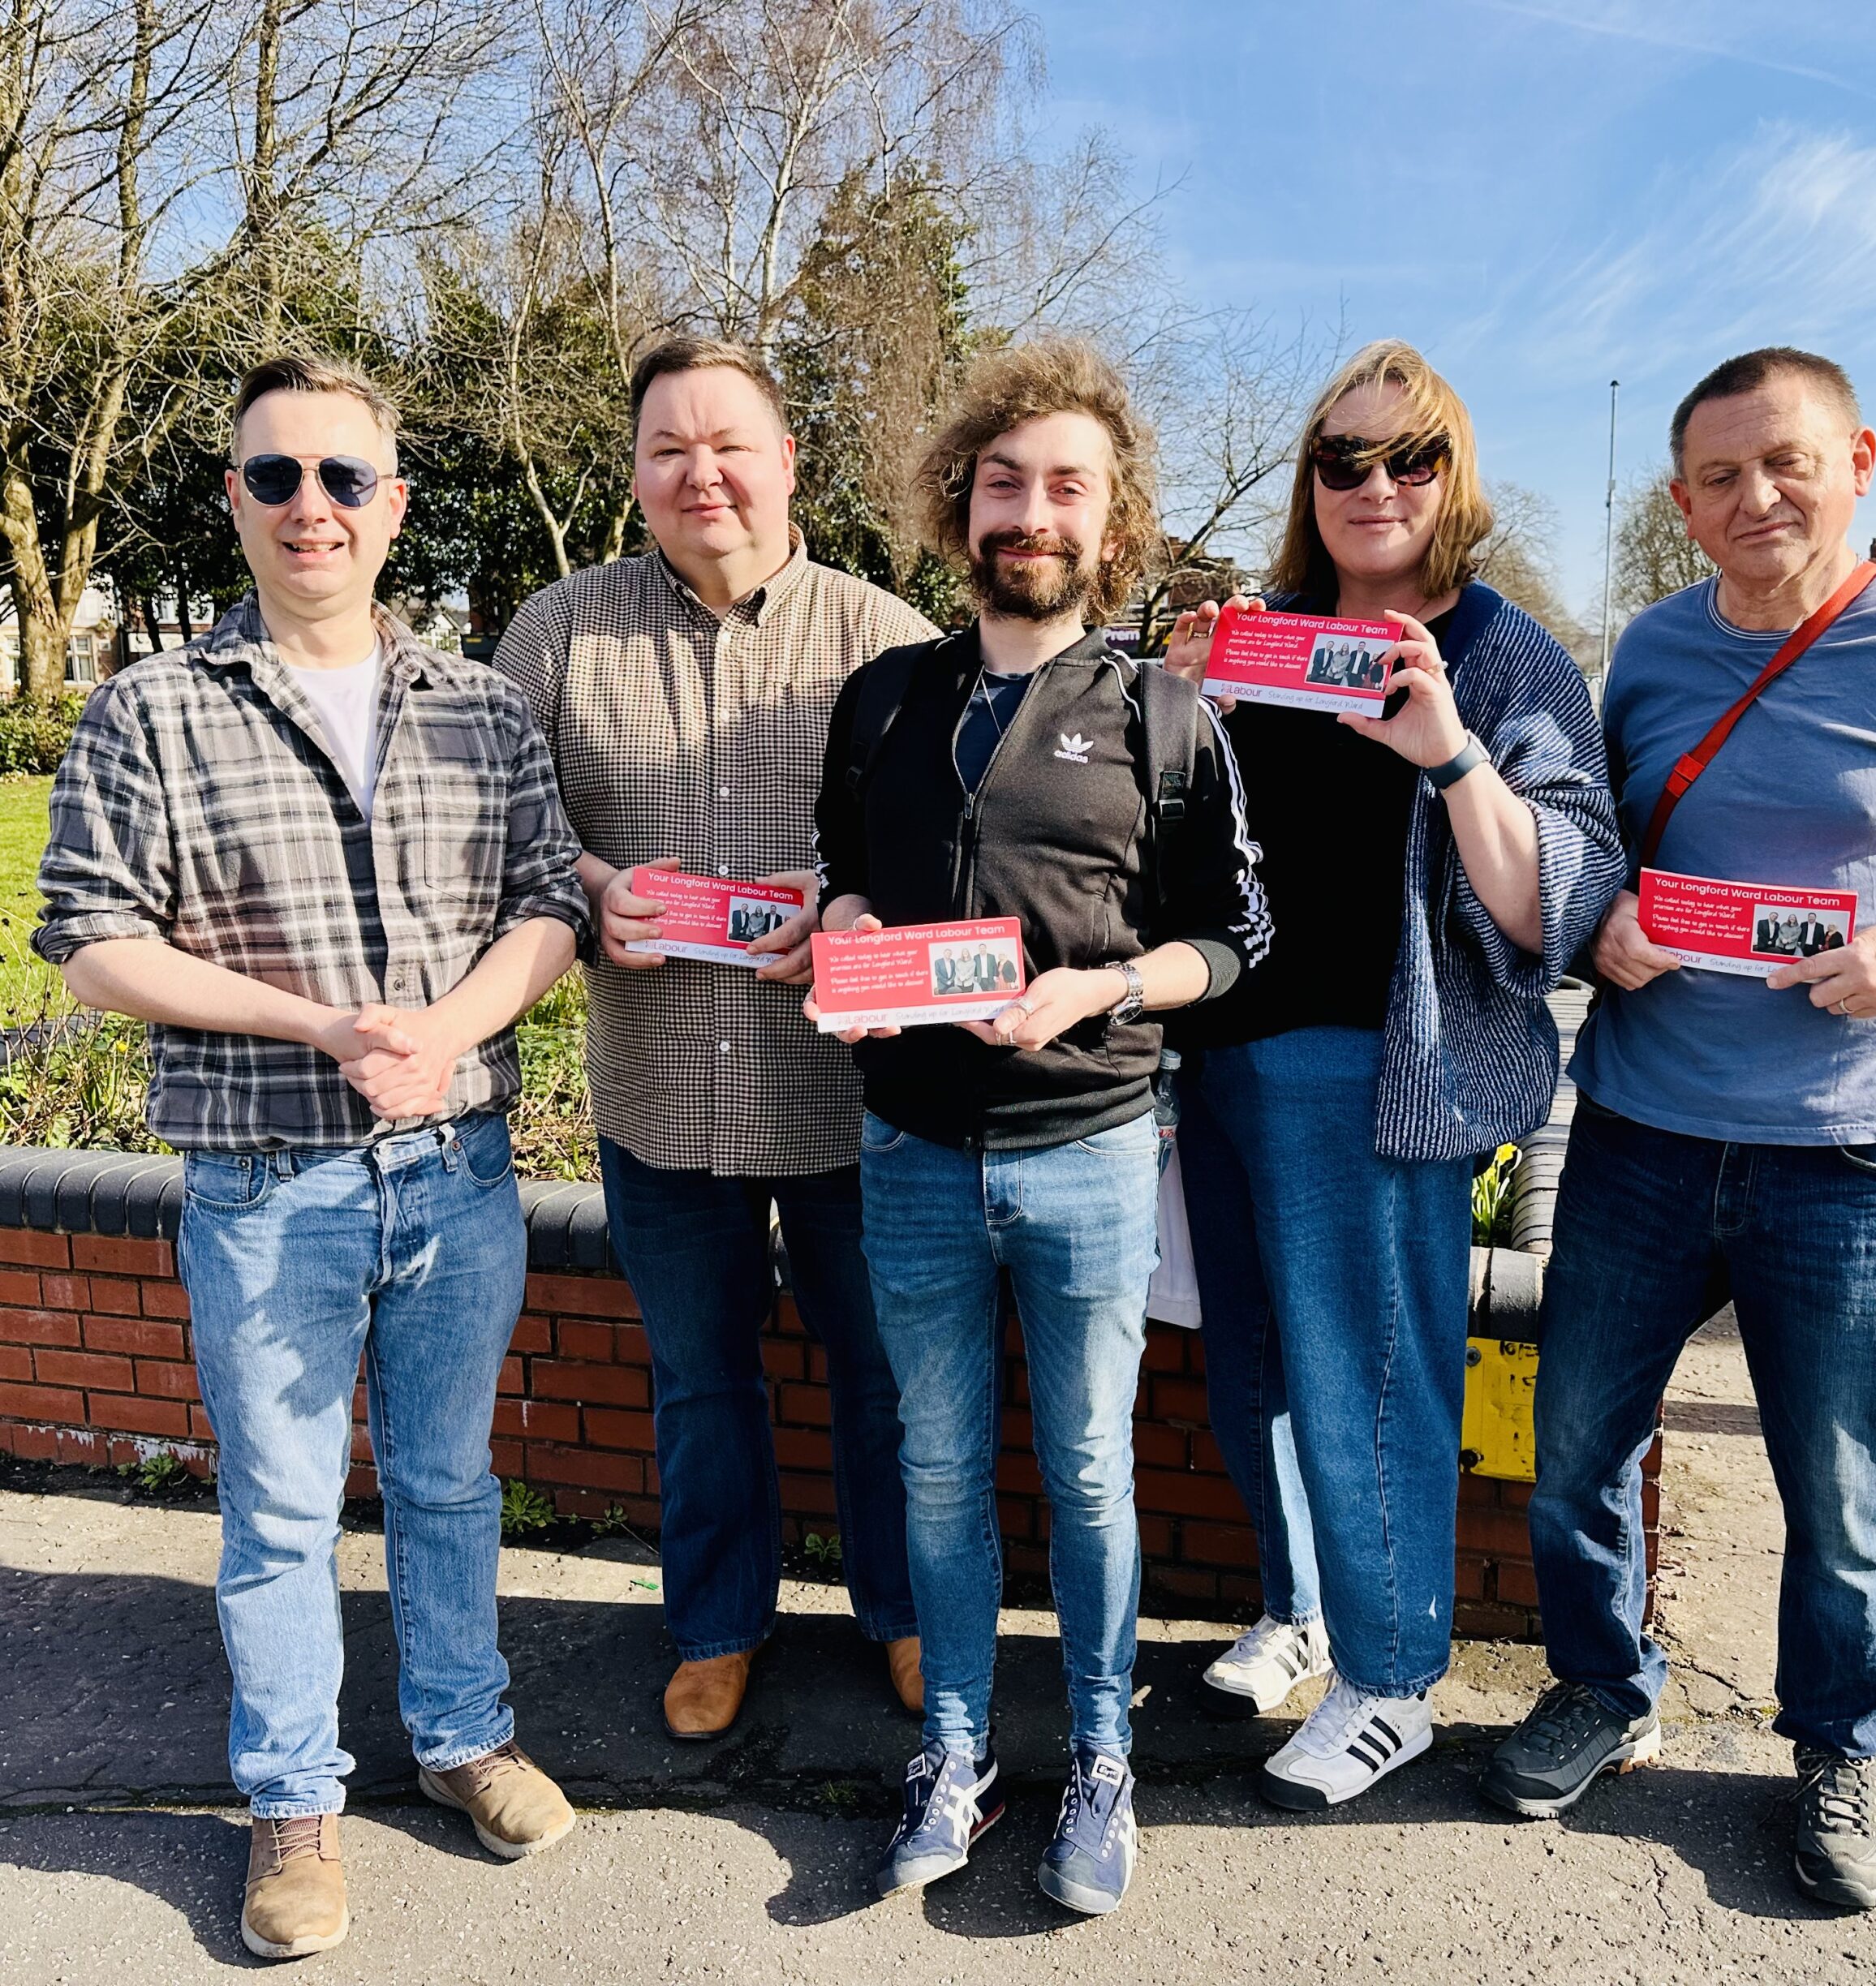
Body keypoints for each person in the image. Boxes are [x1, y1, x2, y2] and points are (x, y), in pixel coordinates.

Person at [1482, 347, 1876, 1911]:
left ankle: (1842, 1745)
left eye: (1788, 462)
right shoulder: (1657, 653)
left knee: (1847, 1491)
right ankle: (1605, 1689)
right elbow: (1595, 839)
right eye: (1724, 476)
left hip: (1859, 1160)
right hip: (1644, 1132)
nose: (1759, 497)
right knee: (1574, 1456)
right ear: (1684, 503)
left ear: (1859, 459)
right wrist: (1601, 922)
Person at [35, 356, 593, 1960]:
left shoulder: (478, 706)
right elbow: (86, 939)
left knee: (443, 1480)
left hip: (457, 1172)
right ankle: (292, 1807)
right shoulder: (154, 707)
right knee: (281, 1514)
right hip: (269, 1184)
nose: (310, 507)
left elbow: (547, 904)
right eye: (275, 477)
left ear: (393, 504)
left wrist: (445, 1028)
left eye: (344, 479)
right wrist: (331, 1026)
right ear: (234, 499)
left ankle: (465, 1737)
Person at [811, 338, 1268, 1915]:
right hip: (912, 1148)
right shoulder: (883, 698)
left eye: (1064, 484)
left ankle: (1096, 1758)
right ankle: (953, 1753)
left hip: (1086, 1150)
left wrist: (1096, 994)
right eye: (1003, 481)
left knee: (1083, 1471)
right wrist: (850, 932)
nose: (1030, 509)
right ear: (962, 502)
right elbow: (844, 877)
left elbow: (1233, 940)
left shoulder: (1162, 715)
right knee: (939, 1467)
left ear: (1109, 517)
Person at [1163, 339, 1623, 1807]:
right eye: (1344, 460)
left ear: (1453, 476)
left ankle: (1392, 1678)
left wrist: (1450, 753)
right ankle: (1302, 1615)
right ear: (1312, 485)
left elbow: (1563, 901)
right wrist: (1177, 717)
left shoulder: (1502, 649)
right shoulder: (1262, 634)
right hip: (1220, 1057)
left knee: (1370, 1377)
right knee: (1254, 1368)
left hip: (1379, 1074)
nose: (1376, 485)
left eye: (1408, 457)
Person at [495, 338, 935, 1743]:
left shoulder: (887, 639)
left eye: (731, 443)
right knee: (700, 1381)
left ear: (787, 460)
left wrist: (856, 903)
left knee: (883, 1377)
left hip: (847, 1098)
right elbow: (502, 823)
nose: (704, 474)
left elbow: (944, 851)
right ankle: (719, 1623)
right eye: (670, 449)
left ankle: (906, 1613)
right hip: (658, 1095)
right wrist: (584, 885)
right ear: (633, 475)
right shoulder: (558, 633)